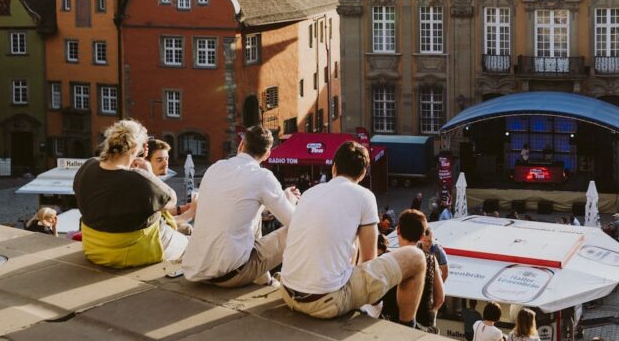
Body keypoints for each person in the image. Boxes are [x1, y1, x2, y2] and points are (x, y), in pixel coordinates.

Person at [280, 142, 427, 325]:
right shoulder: (364, 196)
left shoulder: (310, 192)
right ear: (363, 174)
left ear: (334, 167)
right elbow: (369, 260)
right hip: (324, 302)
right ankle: (407, 327)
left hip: (288, 292)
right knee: (417, 258)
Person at [182, 126, 299, 287]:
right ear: (267, 155)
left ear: (241, 145)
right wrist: (290, 202)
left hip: (197, 270)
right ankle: (299, 281)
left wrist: (276, 201)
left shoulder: (215, 168)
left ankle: (265, 281)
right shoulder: (262, 176)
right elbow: (295, 222)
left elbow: (238, 206)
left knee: (254, 215)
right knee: (298, 229)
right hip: (231, 275)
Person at [74, 120, 186, 268]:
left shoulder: (88, 166)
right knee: (190, 246)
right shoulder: (139, 180)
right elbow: (171, 200)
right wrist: (148, 171)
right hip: (133, 252)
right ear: (135, 147)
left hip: (94, 249)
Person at [388, 210, 443, 330]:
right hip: (423, 325)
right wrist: (429, 312)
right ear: (422, 236)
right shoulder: (431, 260)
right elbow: (440, 298)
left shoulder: (389, 259)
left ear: (398, 230)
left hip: (392, 325)